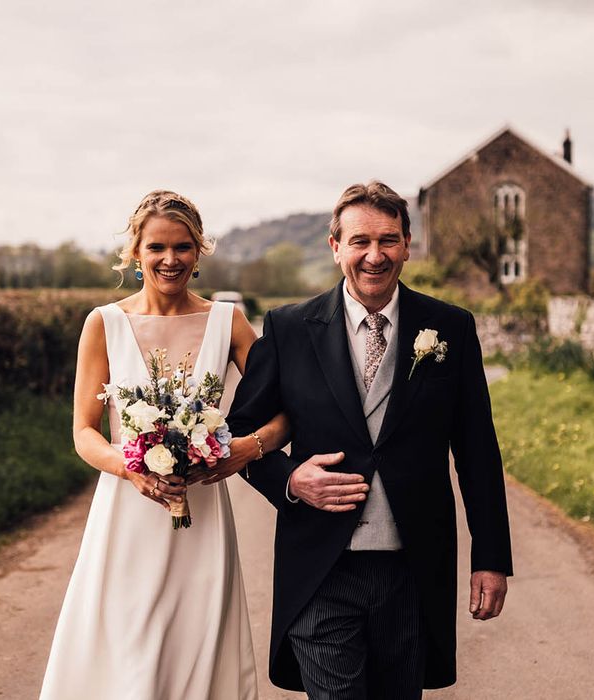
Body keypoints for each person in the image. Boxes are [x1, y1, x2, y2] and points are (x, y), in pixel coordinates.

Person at [222, 181, 514, 699]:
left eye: (388, 240)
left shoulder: (450, 327)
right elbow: (240, 435)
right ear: (335, 247)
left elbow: (477, 451)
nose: (374, 256)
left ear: (407, 245)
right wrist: (292, 481)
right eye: (360, 241)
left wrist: (490, 557)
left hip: (413, 569)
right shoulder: (290, 328)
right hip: (320, 570)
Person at [40, 190, 287, 700]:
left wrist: (245, 448)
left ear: (199, 253)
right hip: (126, 512)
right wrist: (130, 468)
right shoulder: (103, 324)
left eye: (182, 247)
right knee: (128, 645)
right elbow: (85, 431)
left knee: (195, 644)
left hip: (204, 517)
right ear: (135, 252)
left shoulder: (229, 322)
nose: (169, 260)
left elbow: (287, 410)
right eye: (156, 247)